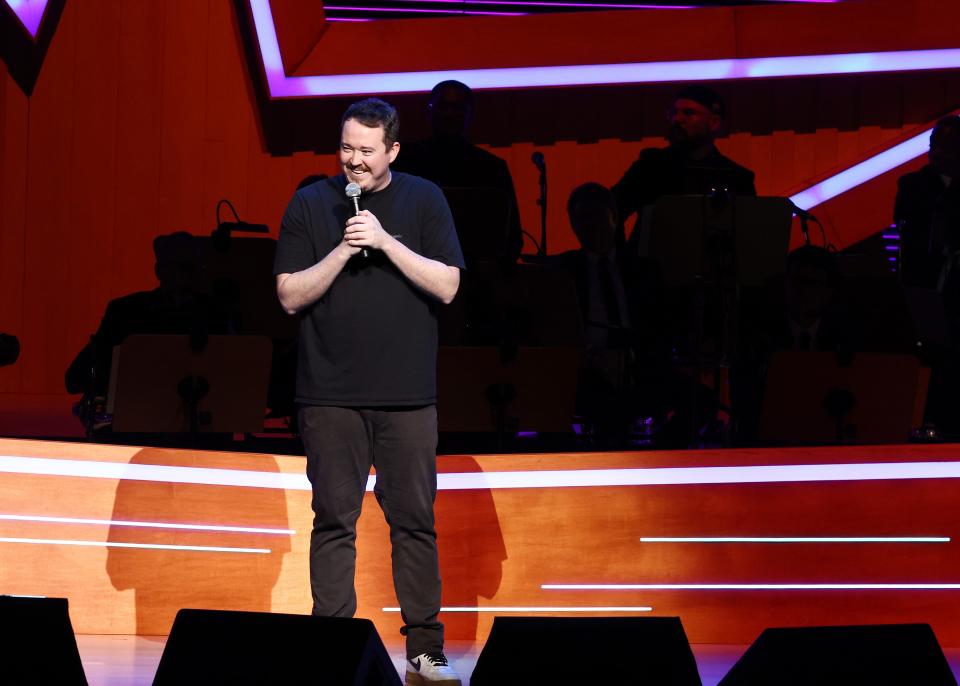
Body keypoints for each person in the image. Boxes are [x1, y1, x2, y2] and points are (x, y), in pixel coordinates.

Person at [274, 98, 465, 686]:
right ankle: (333, 647)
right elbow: (289, 294)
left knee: (414, 521)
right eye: (346, 148)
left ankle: (425, 650)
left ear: (393, 152)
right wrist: (342, 249)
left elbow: (449, 285)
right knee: (334, 519)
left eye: (366, 150)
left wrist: (385, 243)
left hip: (407, 396)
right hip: (329, 396)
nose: (354, 160)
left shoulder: (425, 199)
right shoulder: (310, 203)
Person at [612, 84, 756, 252]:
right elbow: (611, 209)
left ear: (714, 122)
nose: (677, 119)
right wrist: (623, 260)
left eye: (688, 113)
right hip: (651, 274)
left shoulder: (736, 178)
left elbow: (748, 236)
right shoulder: (651, 166)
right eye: (673, 113)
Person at [392, 80, 523, 263]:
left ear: (470, 115)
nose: (449, 114)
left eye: (458, 108)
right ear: (429, 112)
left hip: (475, 276)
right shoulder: (402, 160)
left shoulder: (491, 168)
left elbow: (511, 239)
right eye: (443, 107)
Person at [894, 115, 960, 289]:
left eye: (944, 146)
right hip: (924, 282)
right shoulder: (912, 185)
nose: (935, 152)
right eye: (933, 145)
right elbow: (908, 233)